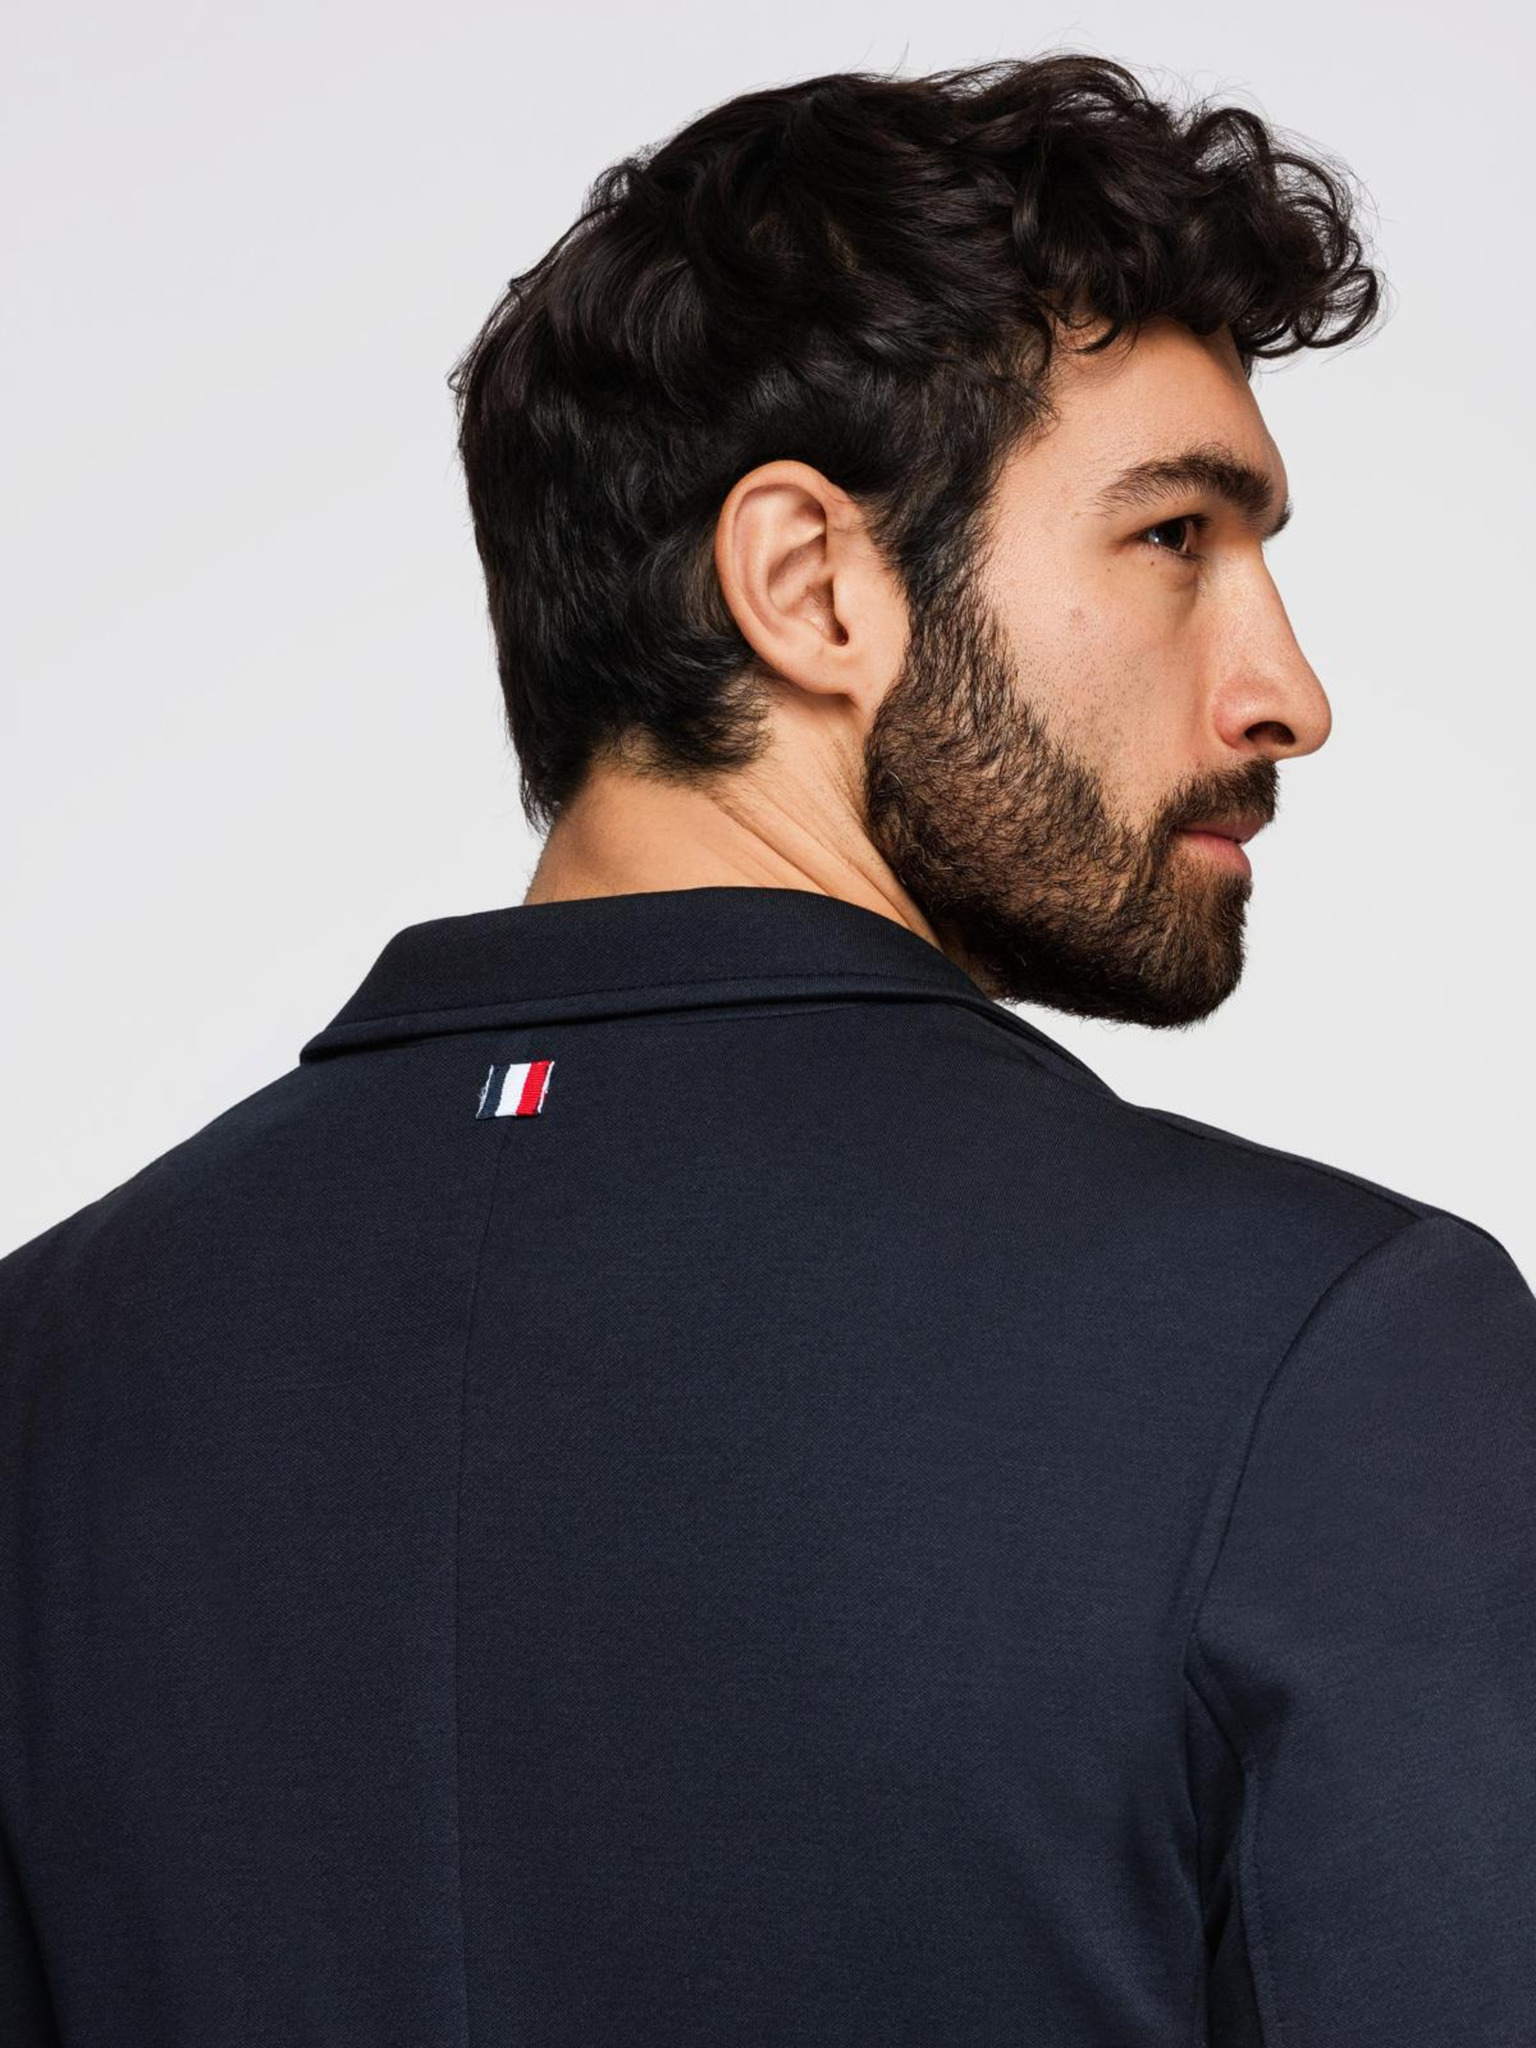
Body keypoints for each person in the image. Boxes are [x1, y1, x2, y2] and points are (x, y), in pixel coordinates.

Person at [2, 52, 1531, 2048]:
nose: (1288, 691)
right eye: (1176, 535)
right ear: (809, 583)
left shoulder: (46, 1373)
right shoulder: (1334, 1351)